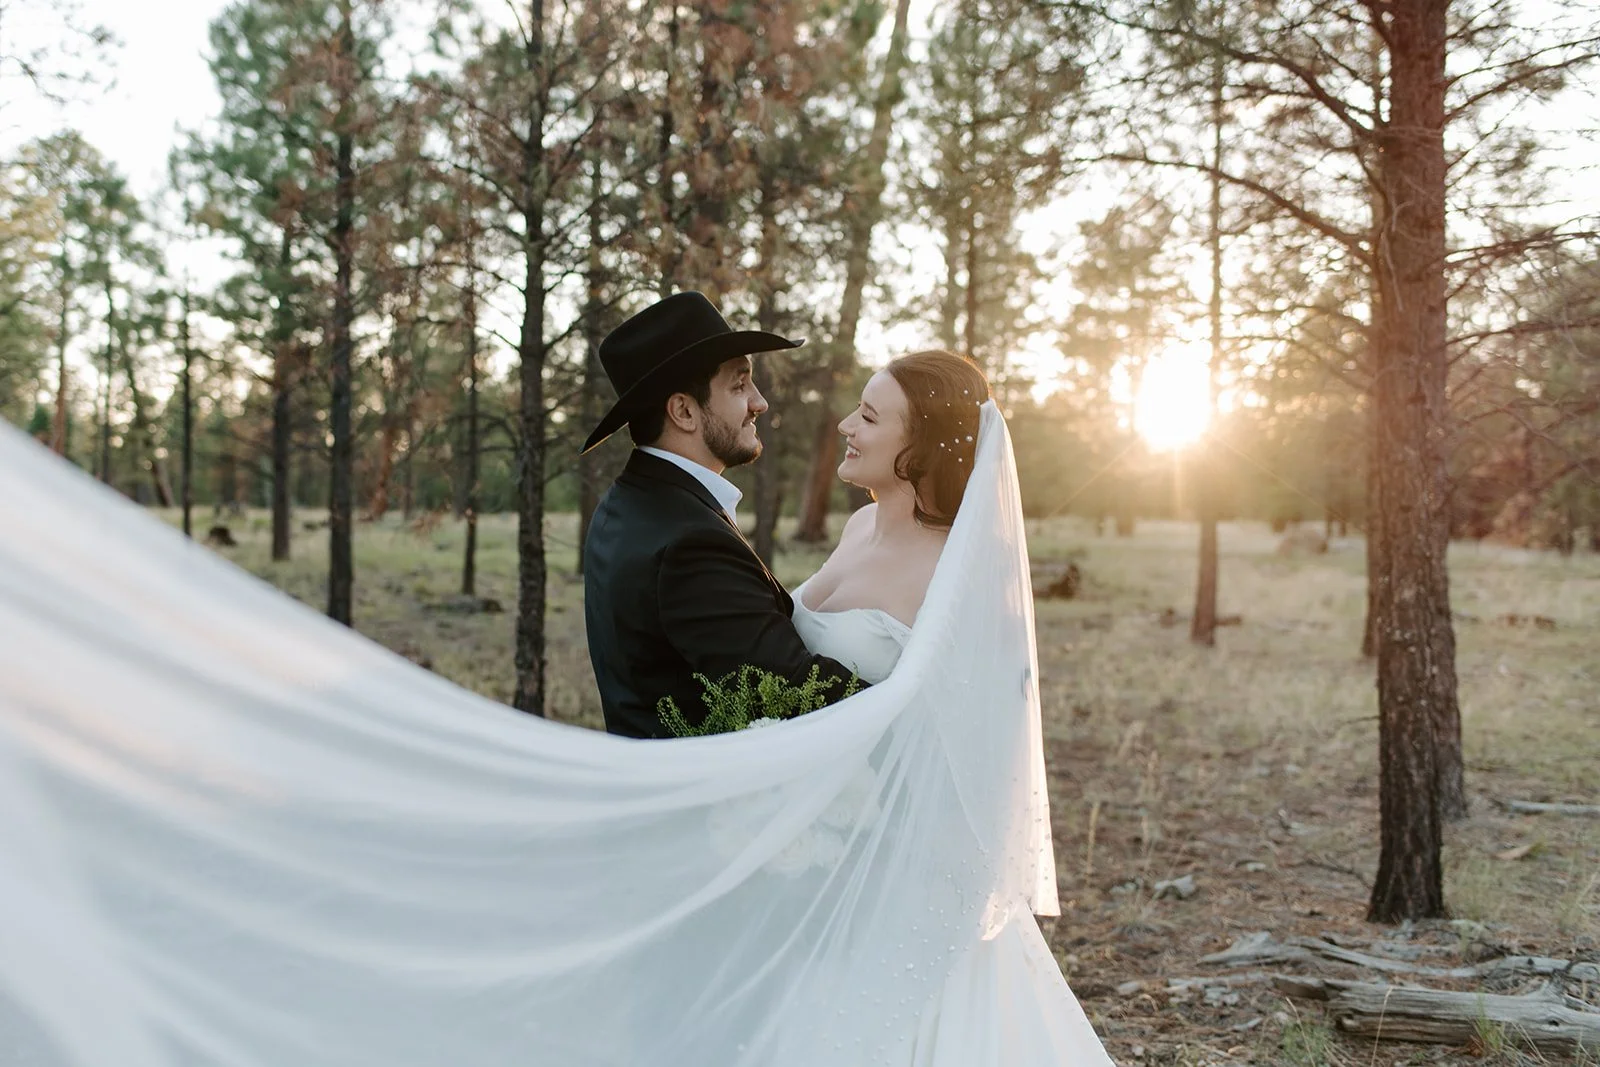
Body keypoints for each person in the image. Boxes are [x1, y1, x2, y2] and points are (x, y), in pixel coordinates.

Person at [0, 328, 1113, 1065]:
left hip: (877, 863)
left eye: (869, 414)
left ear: (924, 442)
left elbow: (934, 720)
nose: (832, 421)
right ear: (684, 409)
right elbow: (791, 668)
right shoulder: (832, 530)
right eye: (742, 383)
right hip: (791, 843)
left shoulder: (949, 567)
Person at [580, 291, 861, 738]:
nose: (759, 402)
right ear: (684, 411)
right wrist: (914, 703)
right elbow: (793, 690)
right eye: (739, 385)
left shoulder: (625, 503)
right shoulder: (690, 544)